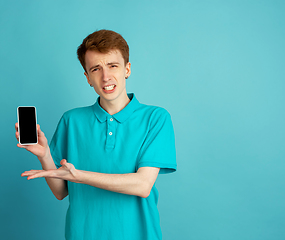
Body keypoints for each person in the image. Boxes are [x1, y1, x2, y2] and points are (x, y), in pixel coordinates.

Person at [15, 29, 177, 240]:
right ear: (88, 77)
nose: (106, 76)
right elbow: (60, 192)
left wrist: (79, 176)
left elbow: (142, 185)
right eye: (96, 69)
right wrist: (44, 154)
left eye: (113, 66)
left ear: (127, 69)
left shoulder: (155, 118)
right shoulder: (71, 120)